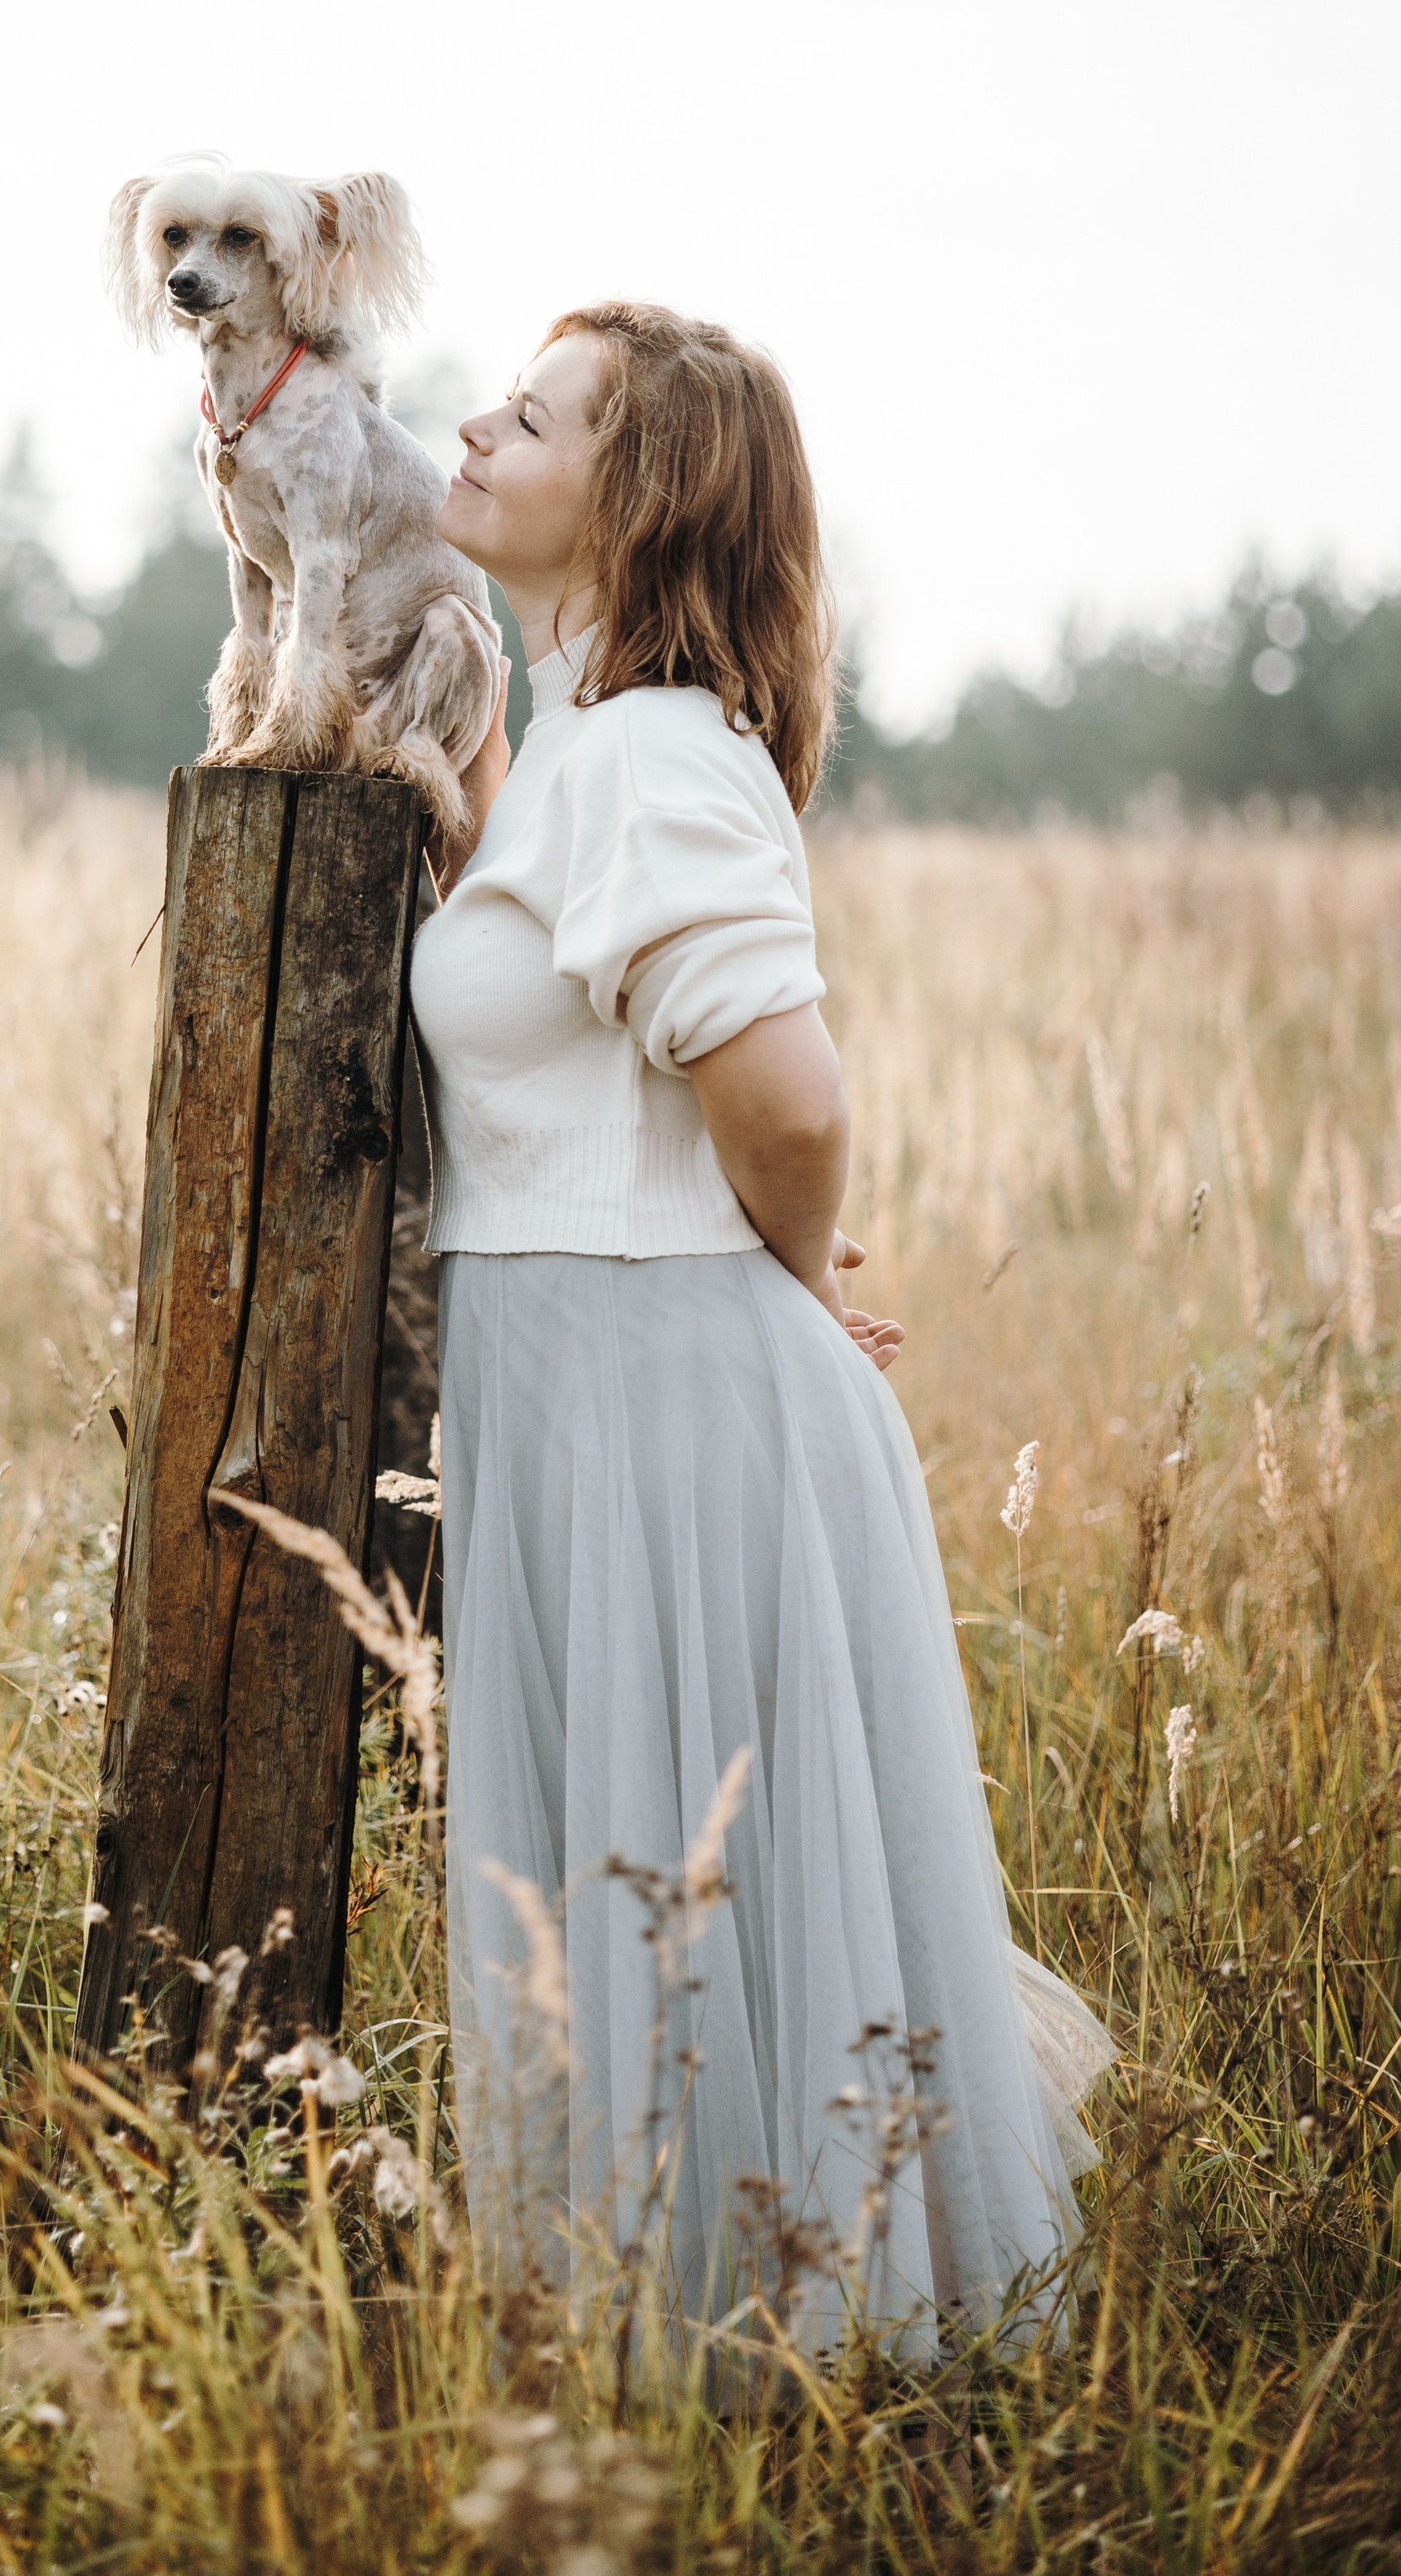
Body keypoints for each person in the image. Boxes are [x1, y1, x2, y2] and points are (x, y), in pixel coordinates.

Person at [413, 302, 1109, 2358]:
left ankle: (763, 2359)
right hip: (585, 1385)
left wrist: (791, 1286)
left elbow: (789, 1100)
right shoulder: (579, 744)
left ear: (634, 500)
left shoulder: (648, 755)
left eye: (526, 416)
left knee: (674, 1872)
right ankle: (671, 2332)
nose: (471, 420)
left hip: (664, 1399)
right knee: (630, 1877)